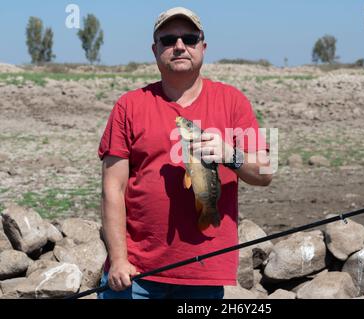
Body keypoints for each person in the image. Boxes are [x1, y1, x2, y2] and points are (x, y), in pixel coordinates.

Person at [97, 6, 272, 299]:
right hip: (136, 274)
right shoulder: (128, 105)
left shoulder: (235, 100)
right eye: (168, 40)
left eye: (189, 39)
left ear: (203, 47)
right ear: (155, 50)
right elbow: (111, 189)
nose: (179, 46)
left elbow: (266, 173)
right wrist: (117, 259)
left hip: (204, 275)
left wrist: (230, 154)